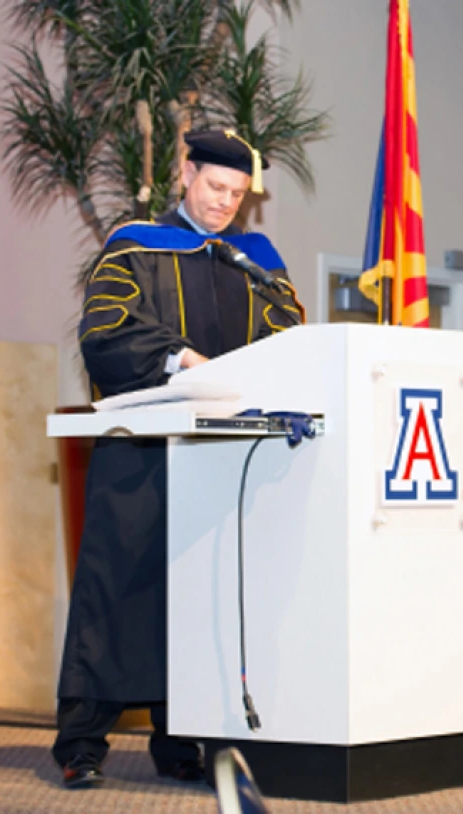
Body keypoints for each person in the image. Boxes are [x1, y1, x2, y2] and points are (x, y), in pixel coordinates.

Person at [52, 129, 305, 790]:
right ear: (185, 173)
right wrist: (181, 357)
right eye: (216, 187)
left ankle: (179, 742)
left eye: (239, 194)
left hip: (221, 460)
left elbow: (291, 340)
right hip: (144, 455)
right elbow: (105, 329)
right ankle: (81, 743)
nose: (225, 204)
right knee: (119, 590)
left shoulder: (254, 263)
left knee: (202, 597)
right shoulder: (136, 247)